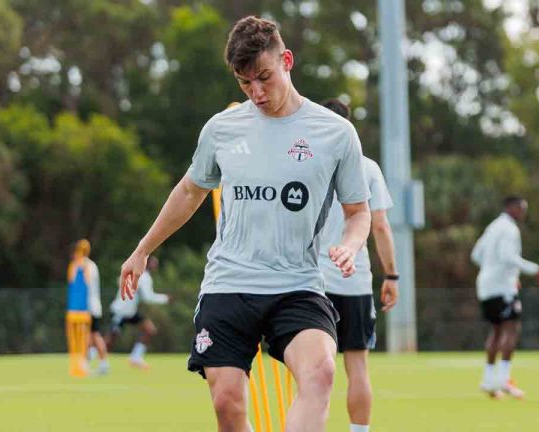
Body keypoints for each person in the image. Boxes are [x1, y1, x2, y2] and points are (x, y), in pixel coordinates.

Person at [118, 16, 371, 431]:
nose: (256, 92)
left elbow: (359, 212)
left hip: (297, 284)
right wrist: (142, 250)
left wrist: (350, 244)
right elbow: (189, 192)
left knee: (321, 371)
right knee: (227, 403)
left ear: (286, 60)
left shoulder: (336, 134)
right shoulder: (222, 129)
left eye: (264, 77)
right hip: (229, 283)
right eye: (244, 82)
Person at [319, 98, 397, 432]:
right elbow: (379, 225)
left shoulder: (304, 164)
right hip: (353, 280)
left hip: (310, 282)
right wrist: (391, 274)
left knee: (311, 369)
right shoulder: (367, 167)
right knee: (358, 366)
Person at [471, 196, 539, 399]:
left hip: (485, 285)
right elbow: (507, 257)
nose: (523, 212)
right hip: (502, 287)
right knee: (512, 328)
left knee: (497, 330)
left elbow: (476, 255)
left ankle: (489, 380)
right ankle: (504, 379)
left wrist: (495, 271)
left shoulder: (492, 227)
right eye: (521, 208)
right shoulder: (509, 229)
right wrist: (536, 270)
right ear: (511, 207)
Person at [105, 256, 169, 369]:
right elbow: (148, 297)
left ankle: (135, 357)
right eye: (153, 263)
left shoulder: (139, 274)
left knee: (149, 330)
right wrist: (165, 298)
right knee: (111, 338)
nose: (155, 266)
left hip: (131, 312)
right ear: (147, 263)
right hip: (121, 311)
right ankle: (93, 355)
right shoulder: (143, 276)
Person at [68, 239, 109, 375]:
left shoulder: (85, 266)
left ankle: (100, 363)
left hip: (89, 307)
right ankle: (92, 360)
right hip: (92, 306)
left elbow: (81, 284)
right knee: (91, 336)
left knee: (94, 336)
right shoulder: (91, 265)